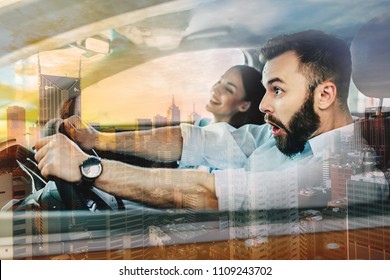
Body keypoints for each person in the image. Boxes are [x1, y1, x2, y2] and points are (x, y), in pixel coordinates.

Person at [33, 30, 388, 211]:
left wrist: (87, 168)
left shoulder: (339, 175)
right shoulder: (283, 134)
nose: (264, 104)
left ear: (324, 95)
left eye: (277, 90)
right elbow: (197, 140)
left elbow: (208, 195)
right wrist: (99, 141)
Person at [199, 65, 266, 128]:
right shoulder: (201, 123)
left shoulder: (234, 139)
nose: (216, 89)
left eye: (228, 89)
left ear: (244, 105)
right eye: (219, 81)